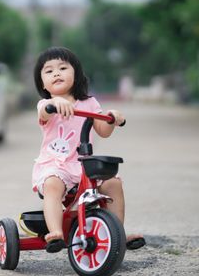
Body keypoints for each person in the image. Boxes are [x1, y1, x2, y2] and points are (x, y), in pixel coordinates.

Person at [32, 46, 145, 253]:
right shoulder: (46, 105)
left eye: (63, 68)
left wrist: (112, 118)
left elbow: (103, 130)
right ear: (43, 83)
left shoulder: (89, 103)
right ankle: (55, 232)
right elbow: (43, 112)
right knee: (52, 185)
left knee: (112, 183)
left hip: (83, 164)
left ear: (76, 74)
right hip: (55, 165)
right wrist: (55, 102)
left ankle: (117, 233)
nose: (56, 73)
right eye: (49, 71)